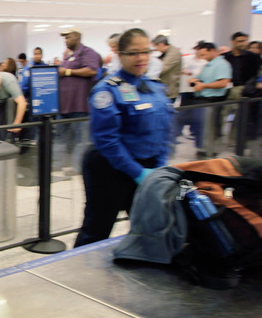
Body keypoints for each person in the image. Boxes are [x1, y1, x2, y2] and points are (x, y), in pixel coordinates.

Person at [75, 29, 173, 247]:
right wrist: (137, 172)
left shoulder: (156, 88)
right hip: (110, 168)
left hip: (148, 167)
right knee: (97, 228)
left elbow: (164, 131)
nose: (141, 58)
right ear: (120, 54)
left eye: (146, 52)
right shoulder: (108, 90)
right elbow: (107, 141)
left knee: (147, 226)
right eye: (133, 53)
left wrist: (159, 166)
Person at [57, 29, 102, 173]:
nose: (66, 41)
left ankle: (78, 166)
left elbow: (92, 71)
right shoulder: (69, 55)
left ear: (77, 37)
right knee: (63, 138)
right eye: (64, 38)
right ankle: (60, 164)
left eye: (68, 37)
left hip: (80, 106)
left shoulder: (88, 53)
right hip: (64, 106)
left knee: (81, 139)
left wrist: (68, 72)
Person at [189, 41, 232, 157]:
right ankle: (203, 148)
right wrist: (195, 81)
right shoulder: (208, 64)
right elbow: (201, 79)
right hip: (202, 99)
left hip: (212, 100)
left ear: (212, 51)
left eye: (204, 55)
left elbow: (223, 82)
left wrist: (204, 86)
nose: (202, 58)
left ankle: (210, 151)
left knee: (210, 128)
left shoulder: (222, 65)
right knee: (202, 127)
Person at [151, 35, 182, 101]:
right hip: (163, 89)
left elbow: (161, 69)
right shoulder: (165, 53)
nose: (156, 49)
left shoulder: (173, 53)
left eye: (156, 46)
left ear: (161, 44)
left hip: (169, 91)